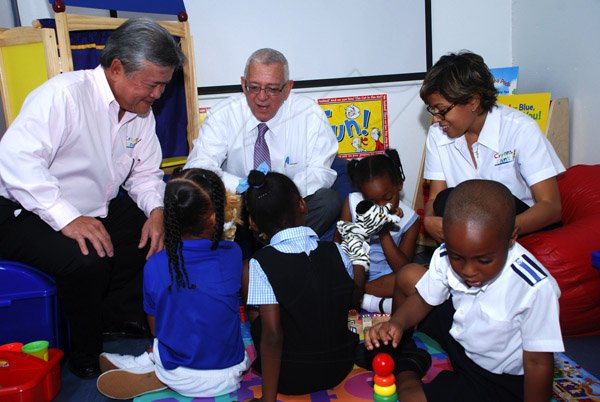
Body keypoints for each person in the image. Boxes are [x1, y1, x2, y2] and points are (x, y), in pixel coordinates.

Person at [0, 18, 185, 377]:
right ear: (117, 68)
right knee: (86, 259)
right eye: (152, 85)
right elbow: (15, 160)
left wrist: (158, 210)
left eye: (164, 86)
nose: (158, 96)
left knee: (157, 228)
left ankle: (115, 319)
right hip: (21, 208)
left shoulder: (139, 112)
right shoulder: (63, 95)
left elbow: (146, 174)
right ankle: (84, 358)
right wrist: (67, 217)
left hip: (92, 207)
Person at [365, 179, 564, 402]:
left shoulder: (534, 288)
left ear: (511, 238)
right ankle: (404, 350)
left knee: (410, 397)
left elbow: (538, 363)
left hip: (496, 378)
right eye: (457, 257)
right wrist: (397, 323)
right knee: (408, 276)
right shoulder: (444, 255)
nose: (468, 271)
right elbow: (423, 300)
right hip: (462, 336)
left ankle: (407, 368)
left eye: (484, 260)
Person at [242, 168, 430, 401]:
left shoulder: (259, 264)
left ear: (252, 222)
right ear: (303, 205)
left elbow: (272, 335)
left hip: (289, 378)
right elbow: (353, 299)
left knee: (257, 311)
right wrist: (358, 256)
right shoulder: (336, 251)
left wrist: (267, 400)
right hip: (338, 367)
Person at [96, 168, 250, 400]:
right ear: (215, 215)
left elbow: (157, 327)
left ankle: (154, 364)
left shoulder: (156, 264)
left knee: (168, 331)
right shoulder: (233, 253)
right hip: (231, 371)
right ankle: (156, 364)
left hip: (179, 373)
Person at [184, 48, 340, 242]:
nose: (262, 97)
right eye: (254, 87)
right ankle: (278, 253)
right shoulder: (223, 114)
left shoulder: (310, 115)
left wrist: (278, 196)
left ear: (287, 88)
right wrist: (245, 188)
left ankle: (270, 254)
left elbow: (320, 172)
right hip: (240, 207)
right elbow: (198, 167)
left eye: (273, 89)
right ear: (243, 84)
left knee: (328, 201)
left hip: (285, 208)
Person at [420, 51, 565, 243]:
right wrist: (430, 220)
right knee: (446, 200)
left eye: (442, 110)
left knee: (472, 198)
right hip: (468, 227)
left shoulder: (520, 129)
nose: (435, 118)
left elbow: (551, 206)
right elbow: (435, 199)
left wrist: (498, 231)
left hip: (517, 224)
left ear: (473, 101)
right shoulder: (437, 134)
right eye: (433, 110)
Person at [334, 149, 420, 314]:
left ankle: (359, 296)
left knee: (413, 278)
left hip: (385, 279)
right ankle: (368, 300)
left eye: (388, 198)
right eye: (372, 202)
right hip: (354, 270)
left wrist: (383, 231)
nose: (381, 207)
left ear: (399, 184)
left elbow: (402, 268)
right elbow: (337, 242)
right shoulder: (352, 202)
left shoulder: (410, 219)